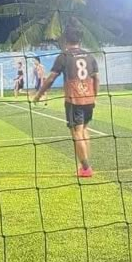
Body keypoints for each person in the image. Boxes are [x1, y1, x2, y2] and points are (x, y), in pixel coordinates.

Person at [34, 25, 99, 178]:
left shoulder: (64, 56)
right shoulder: (89, 56)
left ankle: (85, 168)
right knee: (84, 130)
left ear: (65, 40)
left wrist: (39, 95)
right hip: (88, 98)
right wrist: (94, 96)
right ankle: (84, 164)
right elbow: (96, 78)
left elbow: (50, 79)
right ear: (80, 39)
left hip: (74, 99)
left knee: (76, 132)